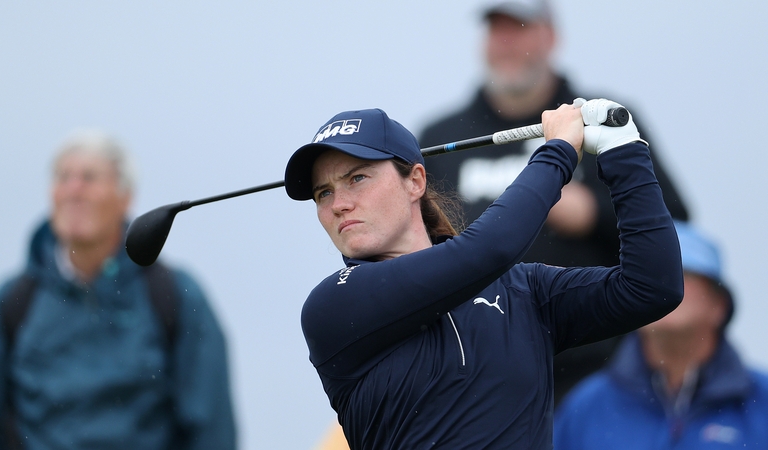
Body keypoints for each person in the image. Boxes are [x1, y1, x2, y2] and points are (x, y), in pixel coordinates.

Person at [283, 99, 683, 449]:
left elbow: (651, 286)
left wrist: (625, 151)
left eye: (357, 178)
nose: (338, 204)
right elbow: (489, 249)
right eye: (324, 193)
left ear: (415, 181)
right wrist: (559, 151)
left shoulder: (523, 290)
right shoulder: (333, 307)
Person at [417, 0, 691, 405]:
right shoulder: (444, 135)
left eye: (520, 29)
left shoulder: (604, 119)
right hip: (480, 370)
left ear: (551, 36)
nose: (506, 43)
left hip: (597, 369)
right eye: (497, 31)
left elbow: (674, 223)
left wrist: (595, 213)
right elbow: (416, 251)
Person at [0, 130, 238, 449]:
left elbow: (211, 429)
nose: (74, 189)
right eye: (63, 177)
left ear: (125, 196)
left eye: (89, 178)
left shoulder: (175, 296)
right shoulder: (13, 302)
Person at [553, 222, 768, 449]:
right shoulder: (587, 406)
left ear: (719, 305)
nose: (661, 286)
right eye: (645, 277)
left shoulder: (762, 401)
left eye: (682, 273)